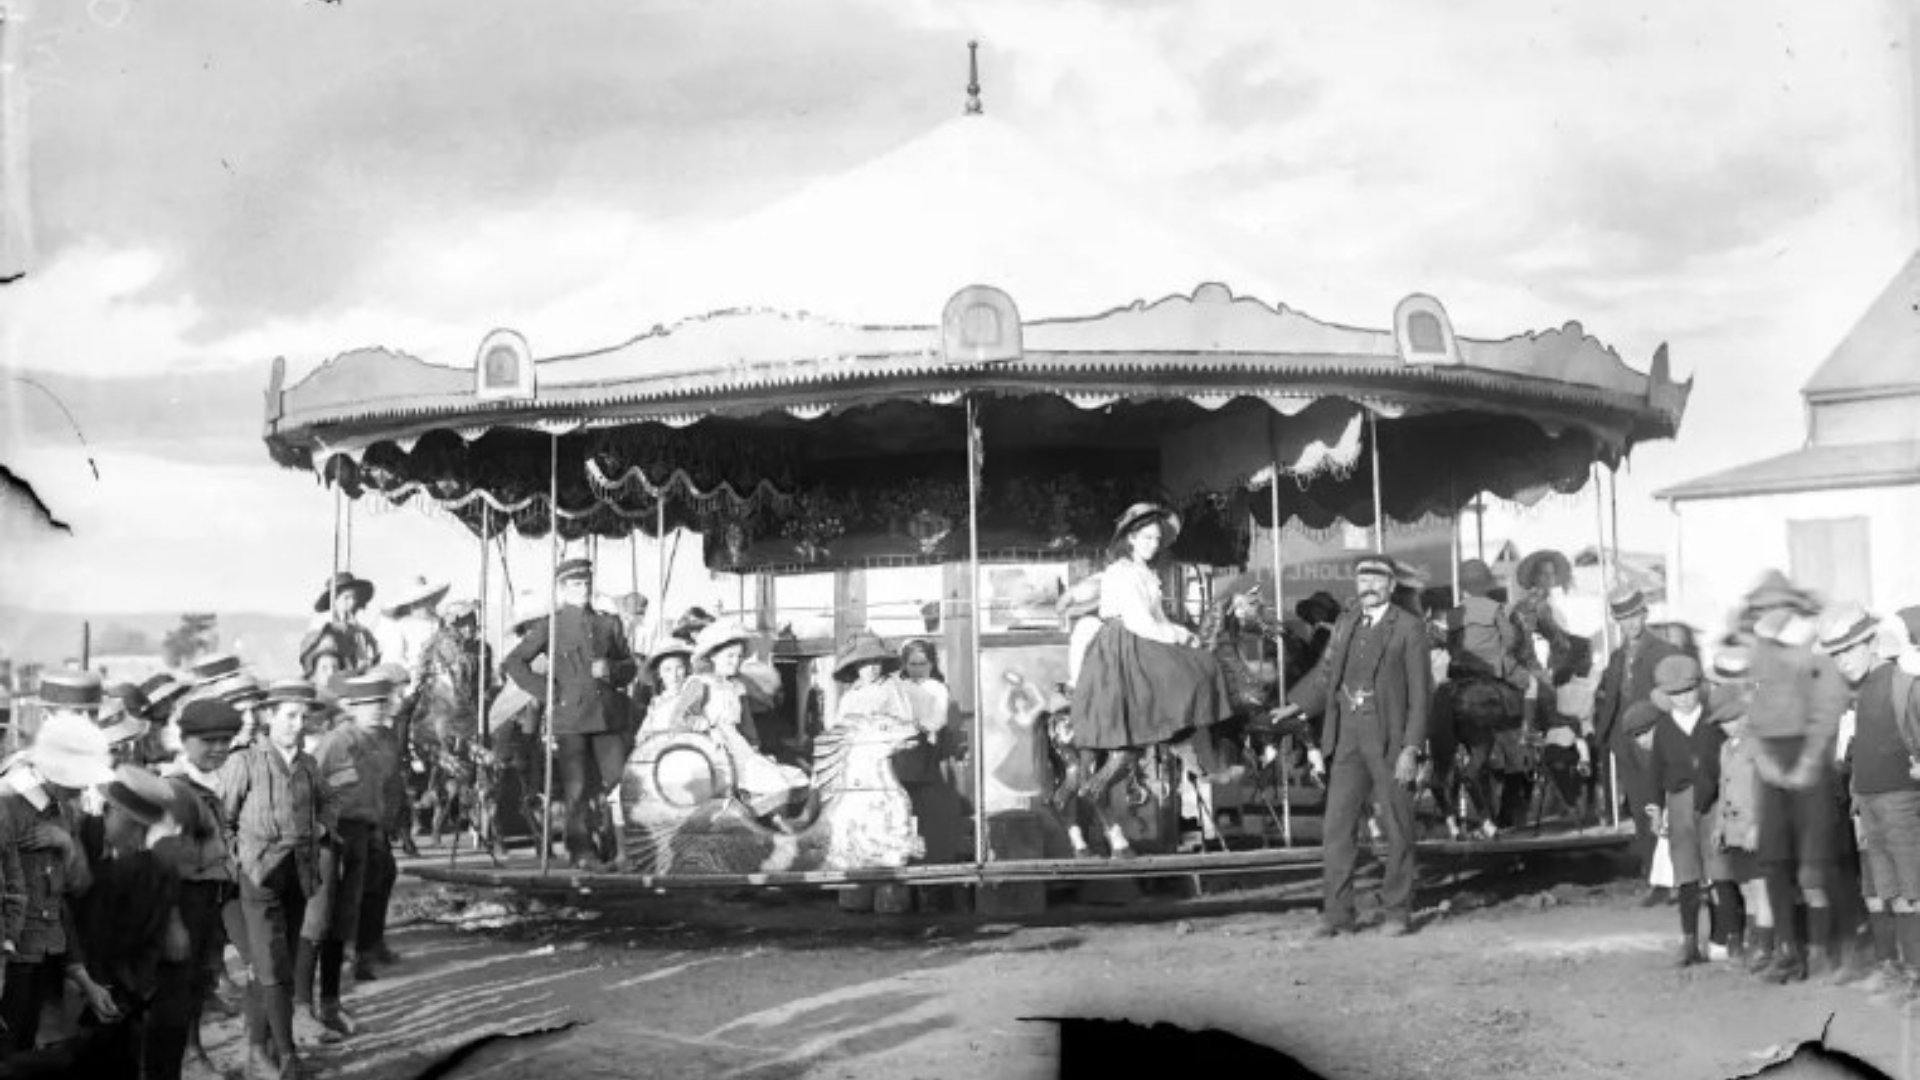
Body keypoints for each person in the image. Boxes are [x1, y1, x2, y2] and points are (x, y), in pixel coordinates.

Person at [1069, 503, 1234, 859]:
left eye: (1157, 538)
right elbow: (1139, 621)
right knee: (1196, 671)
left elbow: (1156, 615)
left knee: (1202, 660)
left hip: (1143, 635)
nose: (1152, 544)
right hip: (1122, 644)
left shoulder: (1148, 573)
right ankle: (1192, 746)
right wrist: (1175, 636)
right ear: (1130, 538)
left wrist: (1184, 632)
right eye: (1146, 537)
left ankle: (1193, 745)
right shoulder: (1120, 572)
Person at [1284, 555, 1432, 938]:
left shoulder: (1410, 629)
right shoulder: (1346, 623)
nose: (1367, 583)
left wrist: (1411, 748)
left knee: (1397, 825)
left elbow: (1421, 695)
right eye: (1362, 577)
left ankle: (1396, 912)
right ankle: (1338, 915)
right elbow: (1325, 674)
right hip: (1346, 733)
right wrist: (1297, 704)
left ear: (1391, 585)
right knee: (1337, 827)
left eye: (1376, 577)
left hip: (1390, 736)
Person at [222, 676, 336, 1080]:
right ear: (269, 716)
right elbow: (225, 820)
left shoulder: (307, 764)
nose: (297, 724)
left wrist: (323, 828)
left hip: (300, 875)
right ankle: (287, 1057)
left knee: (281, 963)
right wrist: (242, 861)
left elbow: (327, 802)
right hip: (259, 877)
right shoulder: (245, 761)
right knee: (269, 964)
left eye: (304, 716)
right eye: (289, 715)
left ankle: (263, 1050)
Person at [0, 671, 119, 1052]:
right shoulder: (14, 791)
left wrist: (66, 845)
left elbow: (68, 892)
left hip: (47, 948)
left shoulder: (62, 805)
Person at [1742, 573, 1849, 984]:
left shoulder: (1814, 654)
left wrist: (1807, 761)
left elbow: (1828, 708)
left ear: (1791, 607)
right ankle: (1788, 950)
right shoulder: (1756, 658)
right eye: (1763, 608)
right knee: (1773, 860)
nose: (1770, 614)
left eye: (1776, 606)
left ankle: (1822, 951)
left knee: (1813, 865)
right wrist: (1763, 760)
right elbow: (1746, 712)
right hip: (1771, 764)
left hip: (1809, 762)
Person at [503, 558, 638, 870]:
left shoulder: (609, 623)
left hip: (606, 717)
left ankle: (623, 851)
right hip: (571, 719)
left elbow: (630, 666)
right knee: (576, 789)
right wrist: (548, 691)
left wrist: (614, 670)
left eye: (587, 582)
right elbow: (514, 662)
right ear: (562, 589)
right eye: (576, 583)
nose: (584, 588)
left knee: (618, 785)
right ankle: (582, 852)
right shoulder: (550, 626)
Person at [1824, 603, 1920, 994]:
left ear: (1871, 641)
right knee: (1886, 889)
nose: (1842, 661)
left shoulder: (1905, 683)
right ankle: (1896, 967)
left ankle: (1915, 972)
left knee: (1912, 889)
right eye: (1835, 654)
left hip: (1901, 800)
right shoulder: (1857, 694)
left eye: (1849, 649)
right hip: (1866, 801)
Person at [83, 764, 189, 1080]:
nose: (101, 818)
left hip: (118, 992)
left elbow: (112, 939)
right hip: (134, 991)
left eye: (108, 811)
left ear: (123, 816)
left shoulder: (128, 872)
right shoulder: (156, 865)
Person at [159, 698, 246, 1080]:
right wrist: (173, 921)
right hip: (182, 900)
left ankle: (191, 1053)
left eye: (226, 740)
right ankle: (182, 1059)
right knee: (174, 991)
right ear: (184, 740)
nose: (218, 748)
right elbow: (161, 867)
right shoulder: (175, 791)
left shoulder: (214, 784)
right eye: (208, 740)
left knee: (197, 983)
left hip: (211, 899)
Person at [658, 623, 809, 826]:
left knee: (775, 777)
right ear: (713, 656)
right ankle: (748, 817)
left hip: (735, 743)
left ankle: (774, 821)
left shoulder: (737, 687)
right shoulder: (700, 684)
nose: (735, 661)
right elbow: (678, 719)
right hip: (708, 746)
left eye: (739, 657)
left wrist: (755, 747)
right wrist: (704, 725)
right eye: (729, 656)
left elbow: (747, 725)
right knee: (745, 781)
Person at [1591, 585, 1684, 904]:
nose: (1629, 624)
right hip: (1624, 744)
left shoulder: (1665, 652)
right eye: (1622, 619)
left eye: (1633, 616)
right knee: (1642, 810)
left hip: (1656, 742)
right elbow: (1606, 698)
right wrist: (1603, 737)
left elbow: (1677, 699)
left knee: (1666, 809)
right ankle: (1654, 879)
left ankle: (1679, 880)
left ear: (1645, 614)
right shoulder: (1617, 658)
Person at [1642, 656, 1726, 966]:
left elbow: (1725, 765)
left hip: (1714, 803)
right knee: (1687, 874)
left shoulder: (1713, 723)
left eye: (1689, 690)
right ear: (1666, 696)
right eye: (1676, 694)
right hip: (1678, 803)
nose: (1684, 699)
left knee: (1718, 870)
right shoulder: (1664, 728)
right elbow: (1654, 773)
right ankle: (1689, 940)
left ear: (1699, 687)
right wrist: (1655, 810)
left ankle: (1720, 938)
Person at [897, 639, 964, 864]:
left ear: (931, 664)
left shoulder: (937, 688)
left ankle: (932, 855)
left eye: (922, 663)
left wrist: (920, 725)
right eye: (913, 664)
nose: (918, 669)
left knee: (930, 808)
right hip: (903, 753)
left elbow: (939, 718)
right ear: (905, 664)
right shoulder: (899, 687)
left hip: (930, 751)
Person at [300, 572, 380, 678]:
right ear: (334, 600)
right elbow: (311, 654)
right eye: (346, 598)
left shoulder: (358, 629)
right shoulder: (321, 621)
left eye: (354, 598)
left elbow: (364, 657)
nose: (352, 603)